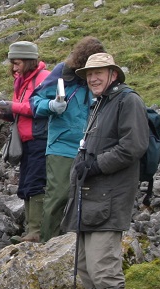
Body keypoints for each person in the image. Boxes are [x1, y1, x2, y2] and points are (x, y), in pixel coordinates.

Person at [62, 53, 148, 289]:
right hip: (90, 195)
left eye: (99, 72)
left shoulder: (127, 100)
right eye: (89, 74)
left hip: (111, 195)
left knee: (102, 262)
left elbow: (134, 146)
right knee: (87, 266)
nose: (93, 78)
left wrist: (97, 165)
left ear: (113, 73)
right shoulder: (100, 103)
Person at [31, 37, 106, 242]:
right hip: (61, 146)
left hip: (92, 147)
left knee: (87, 197)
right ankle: (49, 244)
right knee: (58, 197)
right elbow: (35, 101)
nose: (91, 76)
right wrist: (52, 105)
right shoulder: (63, 73)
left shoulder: (102, 80)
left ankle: (78, 244)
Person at [0, 41, 50, 242]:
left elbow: (39, 108)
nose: (14, 68)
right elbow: (22, 112)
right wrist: (5, 114)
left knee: (36, 182)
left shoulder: (44, 79)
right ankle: (30, 231)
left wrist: (12, 106)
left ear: (29, 60)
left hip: (41, 138)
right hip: (26, 141)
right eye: (12, 63)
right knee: (26, 184)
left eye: (17, 63)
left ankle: (36, 231)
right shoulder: (21, 81)